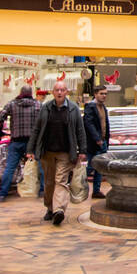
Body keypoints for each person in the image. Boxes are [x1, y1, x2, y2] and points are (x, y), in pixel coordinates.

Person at [26, 80, 86, 226]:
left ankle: (59, 210)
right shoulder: (46, 108)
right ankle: (50, 207)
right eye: (57, 90)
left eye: (62, 90)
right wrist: (30, 149)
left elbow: (80, 130)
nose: (60, 92)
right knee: (49, 182)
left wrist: (82, 150)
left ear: (67, 92)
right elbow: (37, 129)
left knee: (61, 181)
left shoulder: (73, 109)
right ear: (53, 92)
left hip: (66, 152)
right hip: (47, 152)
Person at [0, 85, 41, 200]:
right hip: (33, 142)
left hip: (16, 141)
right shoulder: (38, 105)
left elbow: (0, 118)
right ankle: (42, 191)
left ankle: (3, 193)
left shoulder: (12, 104)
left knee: (10, 167)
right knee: (40, 166)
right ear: (31, 93)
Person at [84, 85, 111, 199]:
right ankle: (79, 185)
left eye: (105, 93)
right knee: (91, 166)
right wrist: (97, 139)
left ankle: (96, 190)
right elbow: (89, 124)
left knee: (99, 167)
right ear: (95, 94)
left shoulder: (103, 107)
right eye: (101, 93)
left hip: (103, 141)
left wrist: (105, 139)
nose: (104, 96)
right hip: (94, 143)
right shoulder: (90, 106)